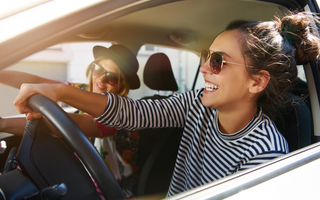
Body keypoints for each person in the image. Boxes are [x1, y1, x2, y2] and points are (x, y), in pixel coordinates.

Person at [12, 12, 320, 197]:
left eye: (218, 61)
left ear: (256, 82)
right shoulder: (197, 105)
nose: (204, 68)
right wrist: (58, 91)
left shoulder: (266, 151)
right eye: (205, 55)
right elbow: (133, 113)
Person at [0, 44, 141, 198]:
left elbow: (71, 124)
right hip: (81, 176)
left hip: (108, 191)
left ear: (122, 85)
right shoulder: (83, 90)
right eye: (98, 70)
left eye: (112, 78)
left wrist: (3, 124)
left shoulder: (121, 112)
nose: (100, 80)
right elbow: (39, 82)